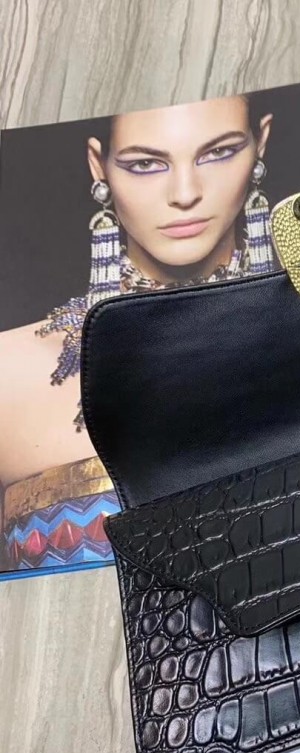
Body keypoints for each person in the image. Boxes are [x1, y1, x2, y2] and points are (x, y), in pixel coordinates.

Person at [0, 93, 276, 572]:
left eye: (218, 152)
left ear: (260, 146)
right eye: (146, 163)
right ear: (99, 166)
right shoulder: (10, 373)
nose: (185, 193)